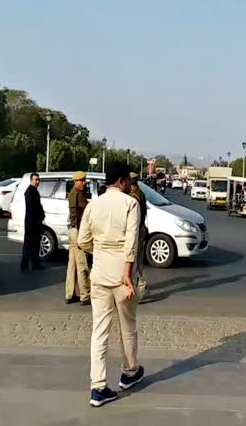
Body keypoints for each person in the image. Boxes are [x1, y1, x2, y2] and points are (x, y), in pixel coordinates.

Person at [78, 162, 143, 407]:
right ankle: (129, 372)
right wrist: (127, 272)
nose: (129, 184)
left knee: (99, 330)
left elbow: (83, 240)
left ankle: (98, 387)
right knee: (127, 325)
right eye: (128, 180)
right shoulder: (130, 204)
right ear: (122, 181)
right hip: (121, 273)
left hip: (100, 271)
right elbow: (131, 243)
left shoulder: (93, 204)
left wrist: (101, 251)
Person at [66, 171, 91, 305]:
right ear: (76, 181)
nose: (84, 182)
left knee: (72, 265)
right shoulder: (77, 194)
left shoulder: (73, 193)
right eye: (81, 181)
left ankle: (69, 293)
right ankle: (85, 295)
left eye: (84, 180)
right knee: (82, 265)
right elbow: (81, 215)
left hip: (73, 230)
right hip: (78, 231)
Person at [21, 173, 46, 273]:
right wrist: (39, 217)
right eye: (35, 180)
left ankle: (35, 263)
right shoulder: (29, 192)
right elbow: (32, 208)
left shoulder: (34, 191)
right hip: (32, 223)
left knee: (35, 244)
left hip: (35, 222)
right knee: (29, 245)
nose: (37, 182)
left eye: (38, 180)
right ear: (31, 180)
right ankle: (25, 265)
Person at [129, 172, 148, 302]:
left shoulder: (135, 196)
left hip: (136, 230)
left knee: (133, 259)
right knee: (137, 259)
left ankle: (140, 289)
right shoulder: (141, 193)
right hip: (140, 229)